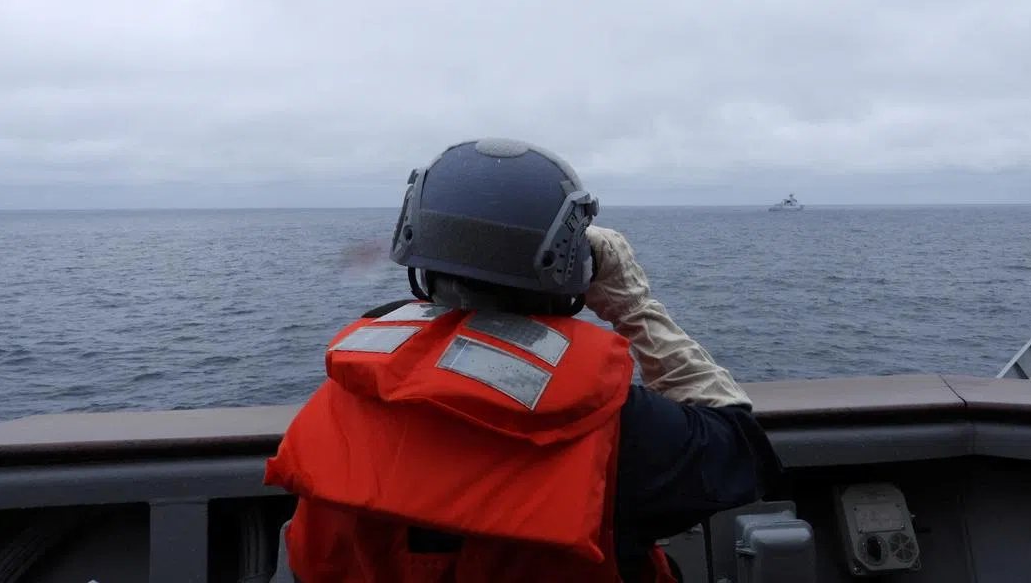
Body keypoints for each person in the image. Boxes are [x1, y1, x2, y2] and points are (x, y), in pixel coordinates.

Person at [264, 138, 782, 583]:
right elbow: (742, 450)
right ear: (570, 266)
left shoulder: (350, 389)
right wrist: (633, 305)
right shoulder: (622, 434)